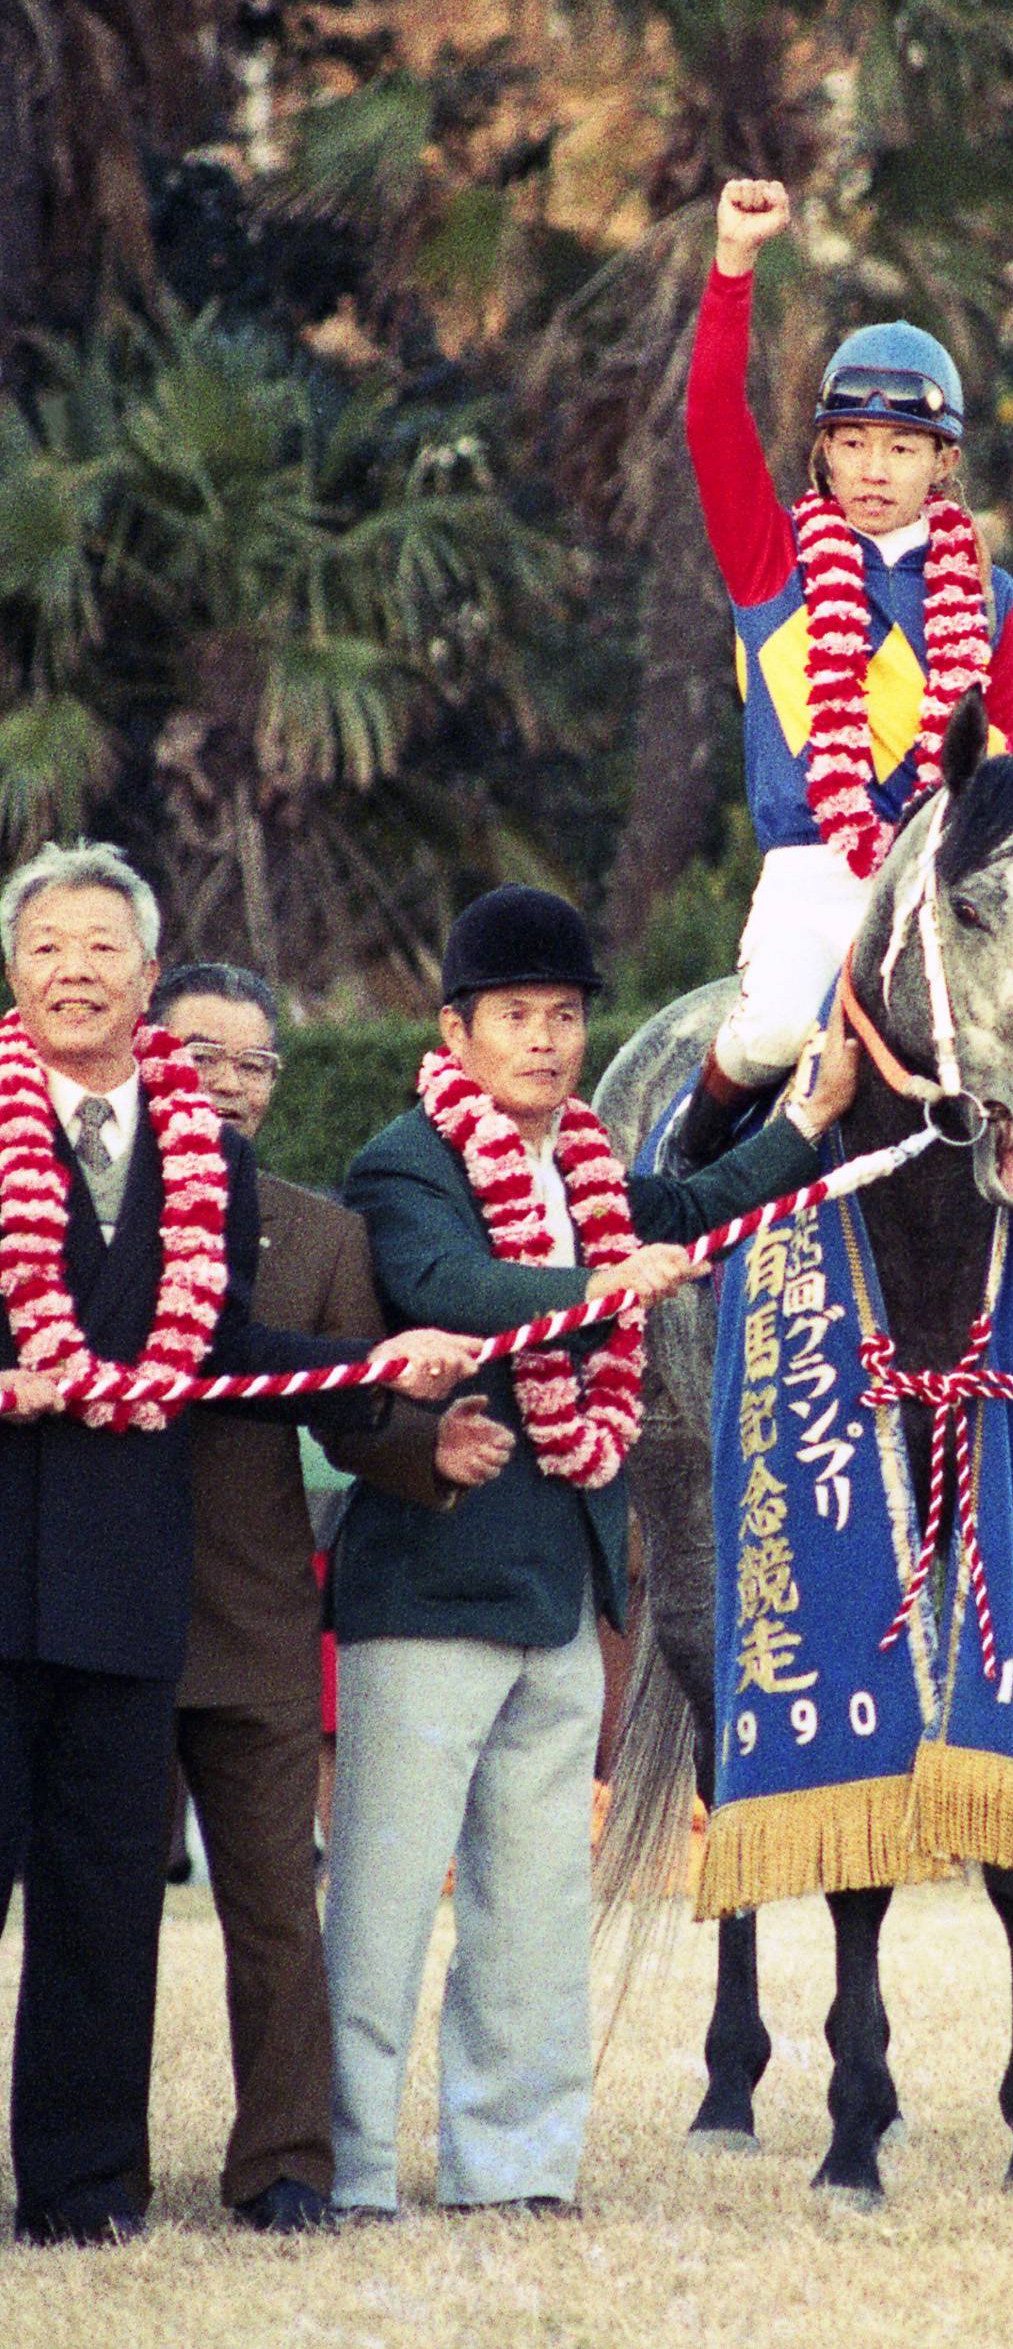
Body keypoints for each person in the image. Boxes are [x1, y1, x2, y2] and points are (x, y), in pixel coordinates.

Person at [325, 886, 861, 2218]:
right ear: (455, 1030)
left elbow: (686, 1203)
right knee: (383, 1910)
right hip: (430, 1589)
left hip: (561, 1596)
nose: (548, 1042)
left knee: (532, 1912)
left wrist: (804, 1121)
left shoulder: (584, 1177)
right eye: (518, 1016)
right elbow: (445, 1285)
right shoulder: (405, 1162)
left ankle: (512, 2167)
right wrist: (594, 1291)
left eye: (565, 1017)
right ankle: (333, 2168)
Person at [0, 841, 477, 2248]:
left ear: (147, 977)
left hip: (130, 1585)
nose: (74, 969)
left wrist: (382, 1362)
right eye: (47, 947)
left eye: (103, 947)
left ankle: (82, 2191)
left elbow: (227, 1350)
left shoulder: (198, 1149)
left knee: (103, 1908)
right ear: (13, 973)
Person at [154, 961, 516, 2236]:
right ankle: (82, 2169)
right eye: (202, 1055)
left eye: (257, 1063)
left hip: (251, 1613)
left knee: (277, 1912)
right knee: (89, 1912)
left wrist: (431, 1452)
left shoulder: (321, 1234)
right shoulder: (79, 1213)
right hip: (92, 1615)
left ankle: (287, 2169)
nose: (230, 1086)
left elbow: (356, 1413)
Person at [671, 175, 1013, 1167]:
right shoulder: (772, 563)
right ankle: (680, 1162)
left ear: (943, 464)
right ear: (824, 455)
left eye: (902, 447)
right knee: (776, 1025)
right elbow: (711, 423)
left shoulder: (995, 599)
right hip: (815, 873)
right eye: (855, 444)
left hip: (940, 882)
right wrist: (734, 266)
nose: (876, 469)